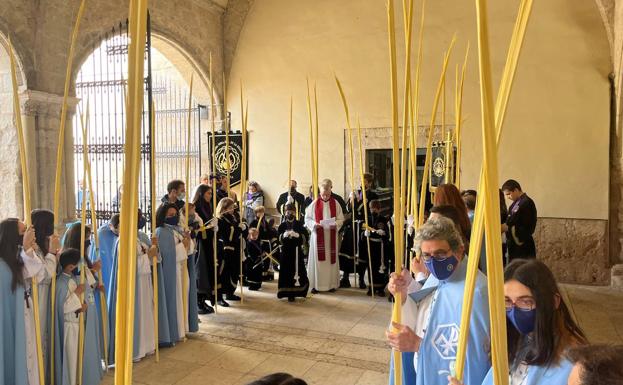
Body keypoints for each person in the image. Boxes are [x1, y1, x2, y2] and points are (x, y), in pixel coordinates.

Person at [448, 258, 588, 385]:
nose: (515, 311)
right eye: (507, 301)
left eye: (526, 302)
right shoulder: (517, 339)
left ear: (553, 302)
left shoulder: (574, 362)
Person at [386, 217, 490, 385]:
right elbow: (425, 314)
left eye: (440, 254)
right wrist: (403, 295)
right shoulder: (438, 276)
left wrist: (419, 345)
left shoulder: (476, 292)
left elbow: (475, 358)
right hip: (423, 370)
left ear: (459, 251)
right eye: (427, 255)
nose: (433, 262)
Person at [107, 210, 159, 362]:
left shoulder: (138, 238)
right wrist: (148, 256)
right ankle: (135, 350)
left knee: (145, 311)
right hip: (134, 284)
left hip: (144, 281)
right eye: (137, 218)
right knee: (136, 314)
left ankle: (146, 345)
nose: (140, 220)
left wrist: (154, 251)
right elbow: (128, 266)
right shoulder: (123, 241)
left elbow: (150, 256)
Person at [61, 223, 104, 384]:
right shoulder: (71, 255)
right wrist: (92, 271)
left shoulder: (83, 255)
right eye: (86, 237)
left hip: (89, 297)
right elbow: (78, 276)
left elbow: (86, 275)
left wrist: (95, 283)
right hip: (80, 301)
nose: (89, 241)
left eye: (89, 237)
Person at [0, 218, 32, 385]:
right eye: (22, 232)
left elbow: (35, 270)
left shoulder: (14, 263)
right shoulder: (3, 269)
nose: (26, 235)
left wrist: (27, 249)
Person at [30, 209, 61, 375]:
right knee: (39, 338)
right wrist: (51, 253)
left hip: (46, 298)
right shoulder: (33, 249)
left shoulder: (41, 247)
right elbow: (43, 276)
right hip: (38, 299)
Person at [155, 203, 191, 344]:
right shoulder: (160, 232)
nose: (173, 217)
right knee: (175, 299)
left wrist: (188, 240)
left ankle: (182, 329)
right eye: (170, 215)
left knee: (183, 298)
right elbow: (167, 254)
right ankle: (174, 331)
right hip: (172, 270)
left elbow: (189, 249)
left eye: (175, 214)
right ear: (162, 216)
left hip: (182, 268)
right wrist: (184, 245)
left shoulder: (176, 230)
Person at [53, 248, 88, 385]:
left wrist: (82, 304)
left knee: (77, 359)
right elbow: (63, 307)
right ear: (70, 266)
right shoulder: (61, 283)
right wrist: (77, 294)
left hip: (77, 323)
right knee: (70, 360)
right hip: (69, 326)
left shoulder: (72, 278)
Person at [305, 178, 344, 293]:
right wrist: (314, 225)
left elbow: (340, 218)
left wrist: (335, 224)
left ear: (330, 192)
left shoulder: (335, 203)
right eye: (323, 195)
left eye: (327, 195)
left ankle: (331, 284)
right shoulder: (314, 203)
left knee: (330, 260)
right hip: (318, 236)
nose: (325, 197)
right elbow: (307, 218)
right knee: (318, 260)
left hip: (330, 236)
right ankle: (316, 285)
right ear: (320, 192)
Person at [192, 184, 218, 314]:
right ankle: (198, 301)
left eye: (211, 193)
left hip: (208, 242)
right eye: (208, 193)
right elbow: (195, 226)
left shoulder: (207, 206)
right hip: (200, 243)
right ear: (201, 194)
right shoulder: (195, 206)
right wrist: (204, 227)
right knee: (201, 271)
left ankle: (204, 300)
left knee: (208, 270)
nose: (211, 196)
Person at [216, 197, 247, 304]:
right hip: (226, 249)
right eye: (230, 207)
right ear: (224, 208)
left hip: (235, 248)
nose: (232, 209)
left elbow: (236, 230)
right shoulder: (220, 220)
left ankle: (230, 292)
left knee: (234, 271)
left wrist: (242, 227)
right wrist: (238, 229)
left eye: (233, 207)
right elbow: (228, 234)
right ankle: (221, 295)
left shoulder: (232, 217)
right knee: (225, 272)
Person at [277, 203, 309, 301]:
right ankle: (287, 293)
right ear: (285, 213)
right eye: (287, 212)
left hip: (296, 251)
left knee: (298, 271)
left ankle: (298, 291)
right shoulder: (282, 225)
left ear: (295, 213)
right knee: (286, 272)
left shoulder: (299, 224)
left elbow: (305, 236)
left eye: (291, 212)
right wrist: (283, 236)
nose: (289, 213)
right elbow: (278, 238)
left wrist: (298, 236)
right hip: (286, 252)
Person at [359, 199, 389, 297]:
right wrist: (364, 234)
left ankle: (380, 288)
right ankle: (371, 287)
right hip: (370, 247)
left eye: (375, 209)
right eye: (371, 208)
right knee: (371, 267)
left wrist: (383, 233)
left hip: (380, 248)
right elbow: (361, 233)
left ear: (379, 209)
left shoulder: (384, 220)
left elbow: (388, 234)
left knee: (380, 268)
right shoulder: (366, 219)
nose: (373, 211)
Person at [502, 179, 537, 260]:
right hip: (514, 245)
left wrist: (508, 228)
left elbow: (527, 226)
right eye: (506, 195)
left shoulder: (526, 203)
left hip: (522, 245)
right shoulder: (517, 202)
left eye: (509, 194)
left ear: (516, 190)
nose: (507, 197)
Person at [250, 206, 278, 281]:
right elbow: (252, 233)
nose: (262, 213)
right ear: (256, 213)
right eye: (260, 212)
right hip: (260, 242)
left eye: (263, 212)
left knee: (267, 259)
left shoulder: (265, 221)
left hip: (266, 242)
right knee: (261, 258)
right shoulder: (254, 222)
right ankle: (261, 275)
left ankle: (266, 274)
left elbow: (268, 231)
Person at [97, 214, 119, 297]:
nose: (118, 233)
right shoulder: (102, 234)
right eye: (116, 231)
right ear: (110, 226)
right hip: (107, 268)